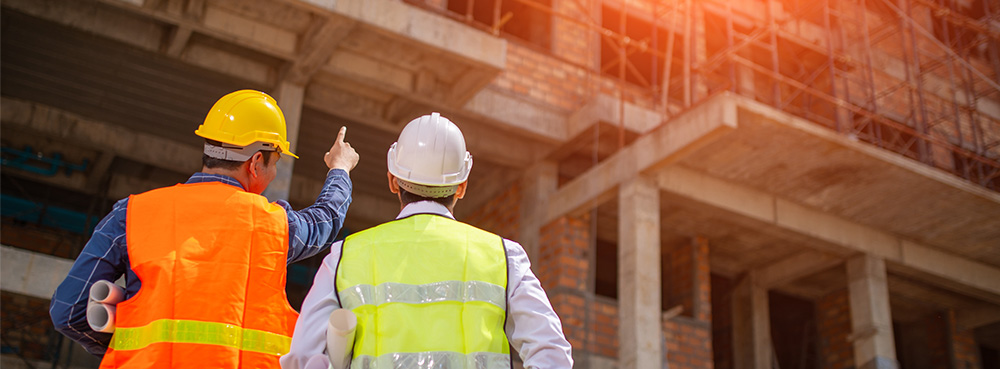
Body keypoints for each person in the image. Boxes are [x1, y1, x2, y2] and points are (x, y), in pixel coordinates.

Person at [49, 89, 360, 368]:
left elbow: (68, 310)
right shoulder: (274, 225)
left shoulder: (132, 213)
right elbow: (326, 219)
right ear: (255, 163)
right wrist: (340, 169)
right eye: (274, 162)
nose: (274, 172)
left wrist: (130, 348)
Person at [281, 112, 573, 369]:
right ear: (462, 187)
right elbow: (552, 353)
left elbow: (303, 358)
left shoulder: (345, 256)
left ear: (393, 180)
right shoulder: (503, 257)